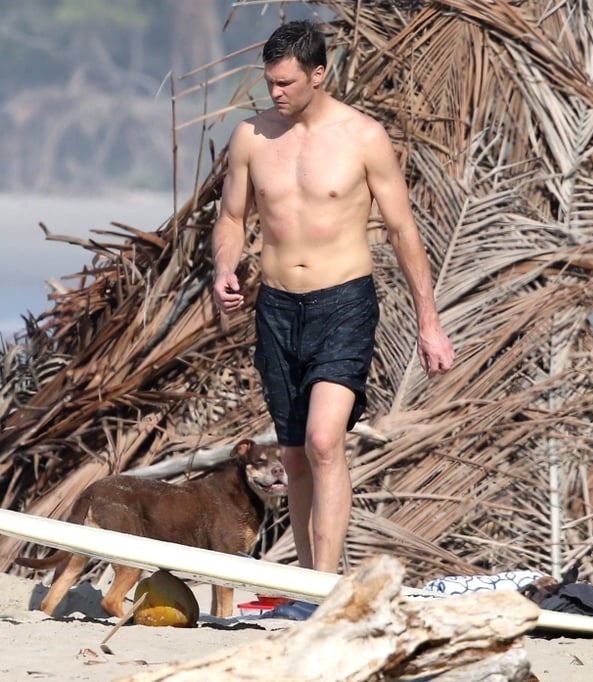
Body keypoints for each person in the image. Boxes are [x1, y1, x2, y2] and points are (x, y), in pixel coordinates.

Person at [212, 20, 455, 577]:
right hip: (276, 307)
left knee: (325, 441)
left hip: (343, 302)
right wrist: (225, 265)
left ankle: (324, 585)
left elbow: (402, 231)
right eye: (270, 82)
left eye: (287, 83)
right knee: (294, 455)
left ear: (318, 74)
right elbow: (230, 217)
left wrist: (429, 323)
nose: (275, 93)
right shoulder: (252, 137)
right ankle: (304, 583)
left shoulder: (362, 138)